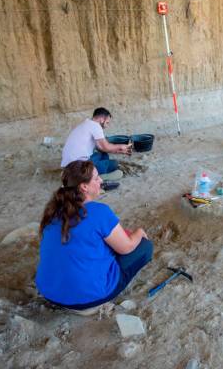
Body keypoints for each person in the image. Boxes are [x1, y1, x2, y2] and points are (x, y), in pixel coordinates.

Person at [35, 160, 153, 315]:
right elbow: (127, 248)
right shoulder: (99, 212)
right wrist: (139, 232)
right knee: (144, 246)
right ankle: (96, 300)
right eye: (97, 178)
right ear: (84, 187)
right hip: (89, 297)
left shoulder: (53, 210)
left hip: (50, 292)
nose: (101, 181)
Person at [61, 107, 131, 179]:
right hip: (78, 168)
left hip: (68, 166)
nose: (107, 126)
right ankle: (98, 177)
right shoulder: (95, 126)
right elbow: (105, 147)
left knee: (103, 154)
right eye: (107, 122)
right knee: (114, 164)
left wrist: (119, 150)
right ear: (101, 119)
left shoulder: (86, 123)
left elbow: (101, 148)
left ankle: (97, 172)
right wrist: (122, 146)